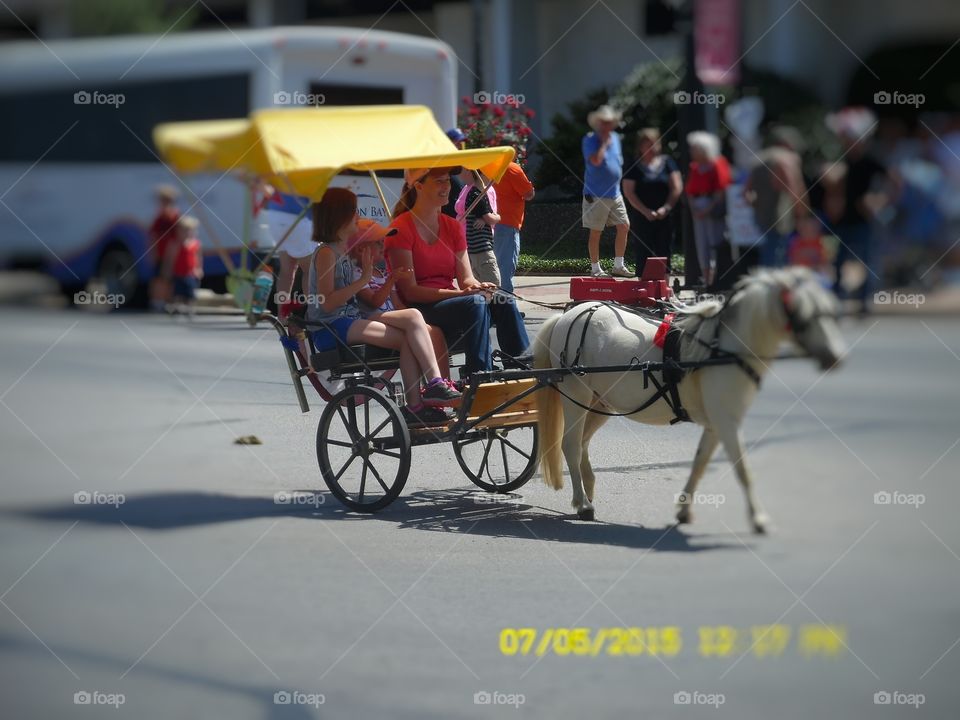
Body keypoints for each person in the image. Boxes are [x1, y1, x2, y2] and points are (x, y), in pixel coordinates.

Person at [307, 187, 462, 426]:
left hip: (349, 319)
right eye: (354, 212)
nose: (357, 217)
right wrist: (363, 280)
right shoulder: (327, 253)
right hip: (330, 327)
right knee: (407, 332)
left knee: (412, 319)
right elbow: (327, 303)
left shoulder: (342, 252)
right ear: (340, 216)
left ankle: (425, 396)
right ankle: (427, 391)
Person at [386, 167, 530, 376]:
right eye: (439, 182)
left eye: (447, 181)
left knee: (503, 299)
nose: (447, 186)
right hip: (417, 309)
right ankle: (479, 376)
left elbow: (466, 279)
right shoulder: (400, 229)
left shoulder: (452, 227)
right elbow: (410, 292)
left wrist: (478, 286)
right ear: (418, 186)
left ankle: (522, 370)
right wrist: (462, 294)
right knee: (475, 303)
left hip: (450, 303)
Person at [346, 219, 452, 379]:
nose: (383, 246)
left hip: (390, 317)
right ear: (361, 249)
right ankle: (434, 381)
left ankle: (445, 383)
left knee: (433, 331)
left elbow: (397, 304)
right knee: (412, 316)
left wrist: (419, 324)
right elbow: (374, 302)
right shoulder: (356, 273)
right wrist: (391, 280)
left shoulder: (383, 273)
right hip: (371, 318)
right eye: (378, 243)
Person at [825, 107, 888, 314]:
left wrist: (879, 200)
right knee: (839, 262)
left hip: (864, 219)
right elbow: (835, 186)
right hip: (844, 220)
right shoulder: (843, 160)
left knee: (868, 261)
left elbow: (894, 181)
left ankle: (864, 302)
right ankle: (837, 301)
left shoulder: (871, 160)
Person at [621, 128, 682, 277]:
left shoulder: (668, 162)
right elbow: (629, 192)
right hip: (642, 217)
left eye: (655, 144)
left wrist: (666, 208)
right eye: (647, 144)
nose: (651, 148)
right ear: (640, 146)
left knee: (664, 251)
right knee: (643, 252)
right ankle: (643, 292)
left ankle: (664, 289)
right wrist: (645, 211)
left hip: (664, 217)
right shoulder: (633, 165)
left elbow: (677, 187)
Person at [744, 126, 807, 267]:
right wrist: (802, 214)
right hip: (780, 216)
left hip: (760, 215)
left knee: (767, 249)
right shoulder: (787, 159)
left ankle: (766, 280)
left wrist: (756, 205)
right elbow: (793, 188)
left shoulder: (758, 158)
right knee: (778, 252)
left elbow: (746, 192)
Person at [581, 104, 632, 277]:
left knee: (624, 226)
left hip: (615, 192)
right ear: (597, 123)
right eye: (603, 122)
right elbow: (595, 161)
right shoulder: (590, 139)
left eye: (609, 122)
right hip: (595, 194)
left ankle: (618, 266)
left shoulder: (616, 138)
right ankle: (595, 269)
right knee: (596, 231)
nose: (606, 125)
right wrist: (603, 144)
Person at [684, 131, 731, 287]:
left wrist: (707, 209)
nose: (691, 151)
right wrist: (694, 209)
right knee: (701, 243)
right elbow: (690, 191)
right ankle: (707, 280)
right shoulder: (695, 167)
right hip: (698, 208)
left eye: (694, 148)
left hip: (713, 208)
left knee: (714, 242)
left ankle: (716, 279)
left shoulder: (717, 163)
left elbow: (721, 190)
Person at [263, 186, 314, 321]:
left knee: (287, 270)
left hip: (275, 214)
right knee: (310, 270)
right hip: (298, 215)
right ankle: (313, 315)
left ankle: (282, 315)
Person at [492, 159, 535, 292]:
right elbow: (528, 194)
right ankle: (506, 306)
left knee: (491, 266)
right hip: (507, 223)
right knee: (505, 267)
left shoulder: (490, 167)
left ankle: (492, 305)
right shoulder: (512, 168)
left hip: (489, 222)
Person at [459, 170, 502, 286]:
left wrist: (490, 217)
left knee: (480, 285)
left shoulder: (478, 192)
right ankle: (492, 304)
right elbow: (490, 218)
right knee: (493, 283)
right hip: (481, 247)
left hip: (474, 246)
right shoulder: (477, 194)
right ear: (481, 175)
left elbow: (486, 215)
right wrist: (498, 217)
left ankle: (485, 303)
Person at [148, 184, 181, 310]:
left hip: (172, 252)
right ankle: (157, 300)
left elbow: (177, 237)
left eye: (167, 200)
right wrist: (153, 252)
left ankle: (168, 300)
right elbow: (153, 236)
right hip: (160, 252)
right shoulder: (159, 217)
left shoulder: (175, 216)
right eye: (162, 200)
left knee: (169, 277)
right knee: (158, 277)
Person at [163, 215, 203, 310]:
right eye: (184, 230)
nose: (187, 233)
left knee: (190, 291)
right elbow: (170, 259)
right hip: (178, 273)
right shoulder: (175, 244)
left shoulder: (196, 244)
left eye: (190, 230)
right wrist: (167, 270)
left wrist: (199, 269)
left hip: (190, 273)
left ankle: (190, 307)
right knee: (177, 291)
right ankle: (176, 306)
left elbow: (198, 258)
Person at [442, 128, 467, 219]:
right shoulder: (441, 163)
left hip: (460, 219)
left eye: (462, 143)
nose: (461, 145)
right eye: (457, 142)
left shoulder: (463, 164)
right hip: (446, 218)